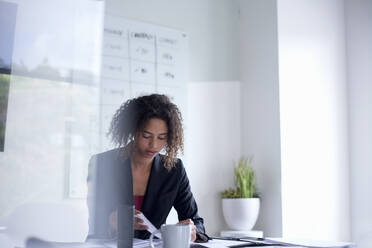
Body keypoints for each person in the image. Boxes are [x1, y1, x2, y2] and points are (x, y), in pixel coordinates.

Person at [86, 94, 208, 242]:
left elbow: (196, 222)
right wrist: (112, 221)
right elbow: (95, 223)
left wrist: (192, 231)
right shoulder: (103, 163)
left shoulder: (174, 170)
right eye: (146, 136)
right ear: (133, 130)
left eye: (162, 137)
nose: (154, 145)